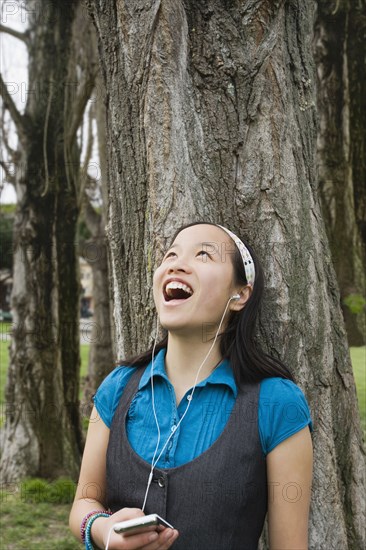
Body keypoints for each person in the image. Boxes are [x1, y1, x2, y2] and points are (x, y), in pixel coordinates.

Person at [69, 221, 313, 550]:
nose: (176, 263)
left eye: (203, 255)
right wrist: (102, 530)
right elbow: (83, 504)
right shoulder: (117, 387)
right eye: (171, 254)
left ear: (240, 294)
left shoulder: (279, 403)